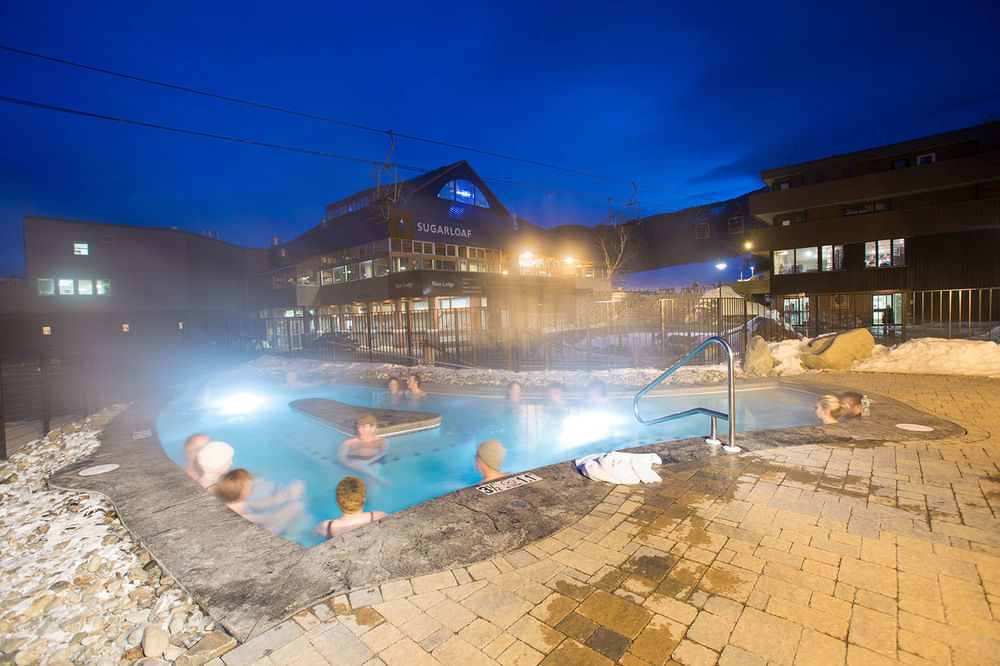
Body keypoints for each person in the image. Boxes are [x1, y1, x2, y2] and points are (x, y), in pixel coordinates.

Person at [214, 468, 304, 533]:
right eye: (248, 483)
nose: (251, 484)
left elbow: (253, 504)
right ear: (242, 491)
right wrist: (288, 506)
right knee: (296, 507)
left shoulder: (234, 502)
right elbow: (267, 520)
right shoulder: (243, 515)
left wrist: (274, 500)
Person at [314, 476, 387, 539]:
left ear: (338, 502)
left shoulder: (325, 527)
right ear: (364, 500)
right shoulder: (378, 516)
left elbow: (313, 537)